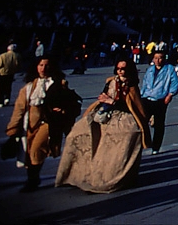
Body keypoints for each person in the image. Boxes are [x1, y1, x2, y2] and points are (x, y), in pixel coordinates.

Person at [56, 59, 150, 192]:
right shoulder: (110, 81)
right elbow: (104, 95)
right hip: (105, 113)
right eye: (118, 68)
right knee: (78, 132)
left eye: (123, 69)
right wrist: (103, 99)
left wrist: (113, 102)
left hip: (122, 116)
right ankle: (77, 173)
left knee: (127, 136)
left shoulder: (132, 86)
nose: (120, 71)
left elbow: (134, 106)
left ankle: (114, 175)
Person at [5, 57, 78, 192]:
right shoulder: (28, 88)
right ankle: (33, 177)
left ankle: (32, 180)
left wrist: (62, 110)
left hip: (48, 123)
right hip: (30, 124)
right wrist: (13, 129)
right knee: (27, 152)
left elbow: (70, 103)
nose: (43, 68)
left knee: (37, 149)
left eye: (47, 65)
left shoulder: (59, 84)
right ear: (36, 67)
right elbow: (19, 109)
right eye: (41, 65)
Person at [139, 50, 178, 153]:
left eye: (160, 58)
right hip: (147, 98)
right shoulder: (150, 69)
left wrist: (170, 94)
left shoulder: (169, 69)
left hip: (160, 100)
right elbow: (144, 82)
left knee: (159, 124)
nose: (158, 60)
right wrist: (142, 95)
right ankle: (141, 143)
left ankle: (156, 147)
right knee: (141, 122)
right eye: (156, 58)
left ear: (164, 58)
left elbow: (175, 82)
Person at [0, 42, 21, 108]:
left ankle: (0, 102)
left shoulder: (2, 56)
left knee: (0, 88)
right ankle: (7, 98)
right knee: (8, 86)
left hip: (2, 73)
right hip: (11, 73)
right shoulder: (17, 55)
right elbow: (18, 65)